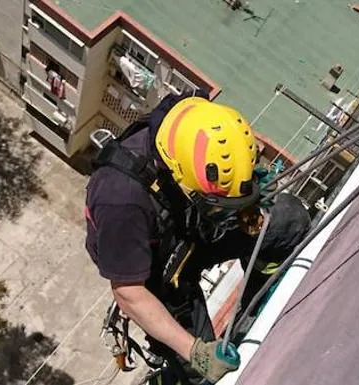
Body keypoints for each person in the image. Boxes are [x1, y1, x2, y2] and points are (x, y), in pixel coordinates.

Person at [85, 93, 310, 384]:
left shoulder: (192, 125)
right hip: (161, 274)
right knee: (204, 377)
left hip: (192, 227)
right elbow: (129, 292)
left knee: (287, 220)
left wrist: (242, 192)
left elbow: (234, 151)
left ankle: (256, 300)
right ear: (180, 175)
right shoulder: (121, 202)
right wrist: (196, 353)